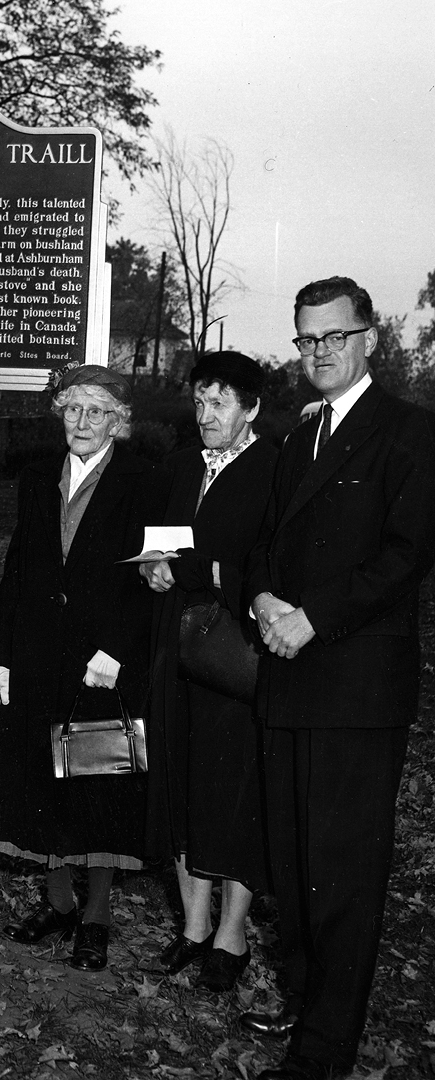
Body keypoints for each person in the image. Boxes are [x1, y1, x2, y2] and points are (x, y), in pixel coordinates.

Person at [237, 277, 435, 1080]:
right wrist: (259, 597)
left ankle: (326, 1047)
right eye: (306, 339)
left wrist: (312, 618)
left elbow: (406, 555)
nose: (318, 352)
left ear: (369, 339)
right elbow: (260, 545)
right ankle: (301, 994)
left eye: (333, 337)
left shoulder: (410, 432)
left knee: (344, 868)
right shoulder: (296, 437)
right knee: (292, 857)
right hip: (288, 676)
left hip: (354, 682)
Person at [0, 363, 156, 971]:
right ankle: (57, 905)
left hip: (101, 661)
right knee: (44, 776)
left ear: (120, 422)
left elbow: (148, 580)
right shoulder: (35, 478)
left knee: (96, 780)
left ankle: (97, 916)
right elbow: (17, 571)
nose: (82, 422)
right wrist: (1, 655)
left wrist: (116, 651)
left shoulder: (142, 479)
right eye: (74, 408)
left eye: (98, 411)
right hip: (36, 655)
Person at [137, 352, 281, 993]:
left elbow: (261, 565)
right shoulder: (179, 466)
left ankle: (233, 935)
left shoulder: (274, 470)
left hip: (234, 656)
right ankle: (194, 928)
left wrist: (193, 570)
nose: (205, 415)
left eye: (219, 403)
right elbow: (159, 542)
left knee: (234, 791)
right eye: (199, 401)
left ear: (250, 409)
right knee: (180, 783)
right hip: (174, 648)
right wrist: (153, 565)